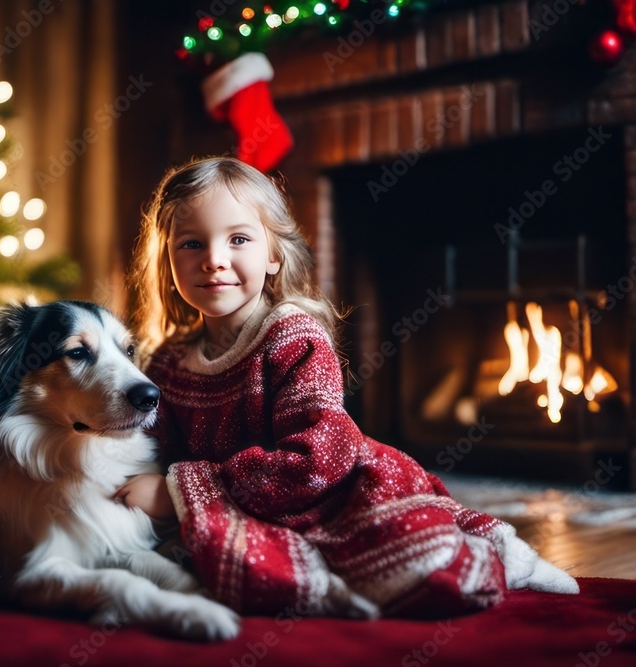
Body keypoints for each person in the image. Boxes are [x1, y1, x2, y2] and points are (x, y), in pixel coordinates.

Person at [115, 156, 578, 618]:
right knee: (171, 562)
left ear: (274, 255)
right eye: (191, 243)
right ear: (168, 259)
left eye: (238, 239)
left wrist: (179, 491)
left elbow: (317, 461)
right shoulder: (168, 362)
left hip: (338, 496)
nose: (214, 260)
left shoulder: (293, 338)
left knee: (423, 566)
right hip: (234, 510)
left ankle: (505, 556)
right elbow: (153, 451)